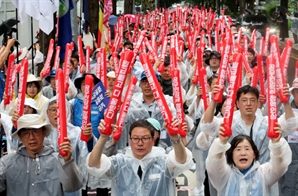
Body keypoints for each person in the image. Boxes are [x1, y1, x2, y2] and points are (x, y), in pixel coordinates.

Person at [87, 118, 193, 196]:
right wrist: (103, 137)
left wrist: (175, 138)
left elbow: (182, 160)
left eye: (145, 138)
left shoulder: (163, 161)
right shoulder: (120, 162)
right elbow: (94, 165)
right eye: (135, 138)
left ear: (153, 139)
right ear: (130, 139)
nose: (140, 143)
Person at [199, 85, 296, 164]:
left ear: (257, 102)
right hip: (234, 176)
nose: (248, 104)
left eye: (252, 100)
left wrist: (286, 102)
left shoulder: (268, 123)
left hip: (263, 176)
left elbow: (290, 124)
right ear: (237, 103)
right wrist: (214, 101)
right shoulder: (228, 123)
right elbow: (207, 125)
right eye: (244, 100)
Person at [0, 114, 83, 195]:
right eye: (26, 133)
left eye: (36, 131)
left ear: (44, 133)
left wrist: (68, 161)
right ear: (20, 136)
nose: (31, 137)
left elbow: (74, 186)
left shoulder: (59, 159)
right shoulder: (7, 162)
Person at [206, 123, 291, 195]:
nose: (243, 153)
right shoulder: (224, 175)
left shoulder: (264, 173)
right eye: (238, 149)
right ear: (231, 154)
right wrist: (221, 142)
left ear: (254, 154)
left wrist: (276, 145)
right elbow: (213, 165)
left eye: (247, 149)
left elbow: (280, 166)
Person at [71, 73, 104, 139]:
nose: (87, 86)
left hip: (97, 144)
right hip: (78, 143)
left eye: (89, 83)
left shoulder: (102, 103)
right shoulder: (73, 103)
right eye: (84, 84)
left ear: (95, 86)